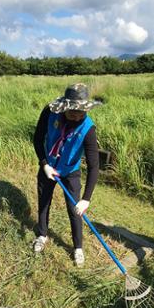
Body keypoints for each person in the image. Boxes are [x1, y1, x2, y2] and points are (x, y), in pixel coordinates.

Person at [32, 83, 102, 266]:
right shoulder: (50, 112)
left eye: (81, 111)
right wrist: (44, 164)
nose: (77, 115)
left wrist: (86, 199)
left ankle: (78, 247)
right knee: (44, 200)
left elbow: (94, 166)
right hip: (49, 166)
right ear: (65, 106)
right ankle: (42, 235)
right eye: (72, 111)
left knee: (74, 209)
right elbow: (38, 138)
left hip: (70, 170)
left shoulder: (88, 129)